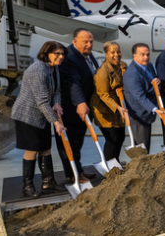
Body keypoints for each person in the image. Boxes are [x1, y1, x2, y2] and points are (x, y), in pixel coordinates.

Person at [12, 41, 67, 198]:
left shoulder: (53, 68)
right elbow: (41, 101)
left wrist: (57, 103)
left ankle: (48, 183)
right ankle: (27, 186)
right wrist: (55, 122)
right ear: (46, 53)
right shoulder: (37, 70)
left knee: (45, 147)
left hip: (43, 113)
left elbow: (57, 90)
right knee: (33, 148)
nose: (60, 56)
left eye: (62, 54)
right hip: (27, 114)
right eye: (57, 53)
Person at [55, 28, 99, 184]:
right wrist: (80, 103)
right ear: (75, 41)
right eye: (85, 41)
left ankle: (78, 170)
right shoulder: (69, 57)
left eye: (91, 41)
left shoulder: (86, 54)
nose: (89, 45)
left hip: (83, 107)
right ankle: (72, 174)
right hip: (69, 108)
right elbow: (73, 82)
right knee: (69, 142)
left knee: (78, 141)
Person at [123, 43, 165, 152]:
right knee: (141, 149)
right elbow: (140, 97)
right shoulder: (132, 74)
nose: (146, 57)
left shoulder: (149, 66)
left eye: (147, 54)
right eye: (142, 55)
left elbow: (154, 79)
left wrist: (157, 81)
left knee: (146, 145)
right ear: (134, 55)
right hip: (138, 115)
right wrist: (156, 110)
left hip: (147, 113)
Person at [91, 41, 128, 163]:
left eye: (118, 51)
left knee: (120, 137)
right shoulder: (103, 72)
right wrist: (118, 107)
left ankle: (115, 163)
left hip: (119, 109)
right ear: (106, 54)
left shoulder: (122, 65)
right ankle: (109, 169)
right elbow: (103, 94)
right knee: (112, 139)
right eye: (112, 52)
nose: (116, 54)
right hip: (106, 111)